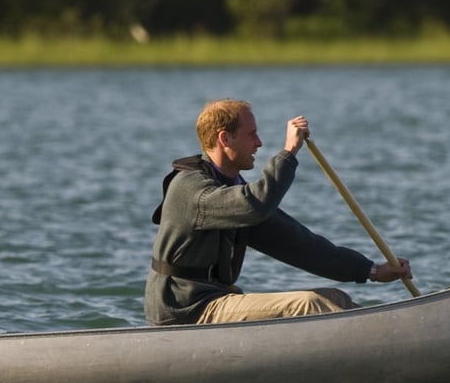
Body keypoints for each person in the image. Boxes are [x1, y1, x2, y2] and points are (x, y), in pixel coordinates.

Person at [145, 99, 411, 326]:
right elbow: (256, 203)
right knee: (311, 305)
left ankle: (392, 341)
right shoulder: (193, 190)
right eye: (252, 134)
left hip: (214, 300)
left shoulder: (233, 194)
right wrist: (289, 152)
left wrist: (372, 270)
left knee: (335, 299)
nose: (259, 143)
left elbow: (301, 246)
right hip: (183, 310)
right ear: (225, 138)